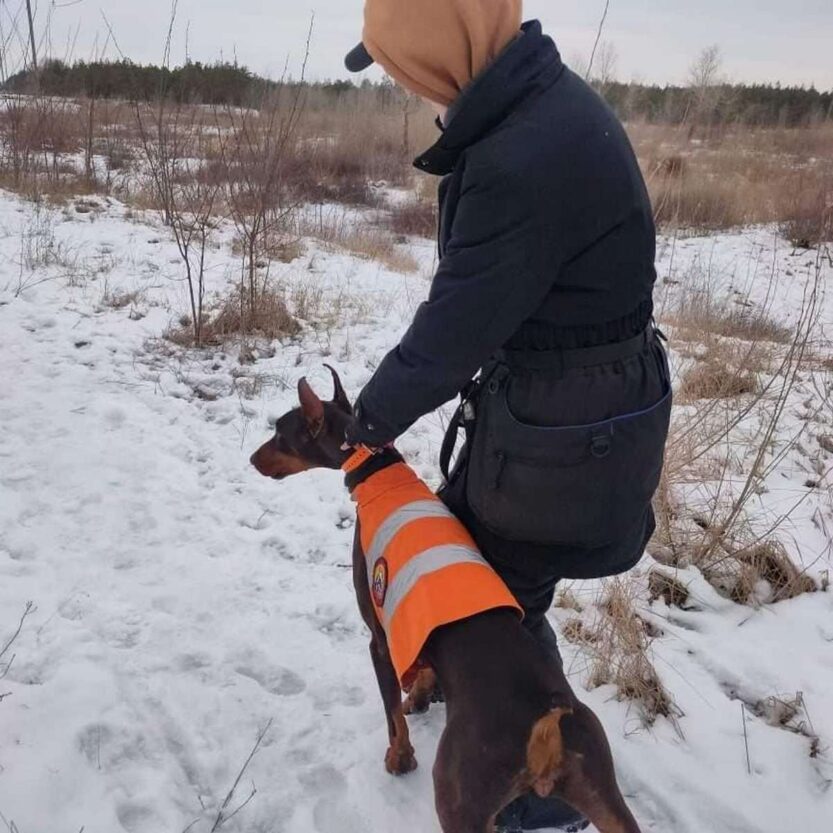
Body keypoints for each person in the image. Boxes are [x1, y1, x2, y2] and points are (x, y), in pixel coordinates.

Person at [343, 1, 672, 830]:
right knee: (482, 583)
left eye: (405, 68)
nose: (407, 88)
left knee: (499, 622)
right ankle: (474, 710)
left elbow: (455, 327)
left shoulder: (520, 155)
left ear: (441, 49)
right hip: (575, 418)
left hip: (561, 440)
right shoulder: (543, 107)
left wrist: (367, 420)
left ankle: (537, 800)